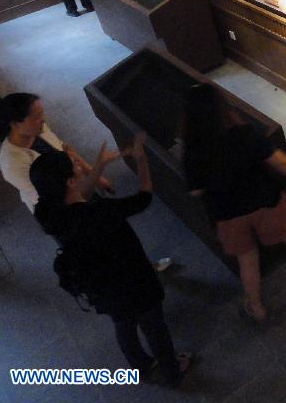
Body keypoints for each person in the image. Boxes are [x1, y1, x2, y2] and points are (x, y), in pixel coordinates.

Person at [29, 136, 192, 386]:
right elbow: (143, 198)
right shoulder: (99, 212)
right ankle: (172, 372)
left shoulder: (48, 214)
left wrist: (99, 165)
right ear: (71, 182)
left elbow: (76, 194)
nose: (78, 164)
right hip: (133, 281)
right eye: (75, 166)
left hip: (102, 289)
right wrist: (142, 161)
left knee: (123, 323)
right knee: (154, 327)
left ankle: (141, 366)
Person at [183, 83, 286, 323]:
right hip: (264, 200)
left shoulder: (192, 150)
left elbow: (195, 191)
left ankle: (256, 307)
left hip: (227, 213)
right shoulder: (243, 133)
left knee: (247, 260)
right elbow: (276, 159)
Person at [0, 92, 111, 213]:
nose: (43, 120)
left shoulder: (38, 129)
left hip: (78, 184)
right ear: (15, 124)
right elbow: (56, 196)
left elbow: (67, 151)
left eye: (41, 113)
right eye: (37, 116)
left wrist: (93, 174)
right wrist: (92, 179)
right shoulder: (12, 164)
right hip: (63, 207)